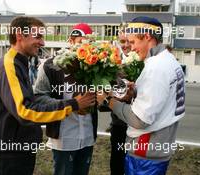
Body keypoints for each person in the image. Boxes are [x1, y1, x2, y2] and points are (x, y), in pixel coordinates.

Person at [0, 17, 96, 175]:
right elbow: (26, 111)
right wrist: (74, 104)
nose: (43, 43)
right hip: (9, 152)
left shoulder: (19, 63)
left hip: (18, 148)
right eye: (38, 37)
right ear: (19, 35)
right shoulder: (9, 65)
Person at [97, 16, 185, 175]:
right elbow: (160, 98)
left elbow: (140, 119)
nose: (130, 48)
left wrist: (108, 100)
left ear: (147, 37)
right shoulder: (168, 59)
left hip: (145, 153)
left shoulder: (156, 66)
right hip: (157, 148)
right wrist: (135, 93)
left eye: (132, 42)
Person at [34, 23, 97, 175]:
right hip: (63, 138)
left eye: (90, 43)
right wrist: (72, 105)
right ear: (71, 41)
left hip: (88, 136)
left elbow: (101, 99)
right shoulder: (50, 65)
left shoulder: (96, 65)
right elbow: (39, 98)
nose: (86, 47)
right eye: (81, 42)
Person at [109, 29, 131, 175]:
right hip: (119, 125)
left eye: (130, 40)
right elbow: (104, 96)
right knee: (117, 165)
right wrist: (117, 98)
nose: (126, 45)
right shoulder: (112, 64)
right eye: (122, 41)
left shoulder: (148, 62)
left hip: (142, 127)